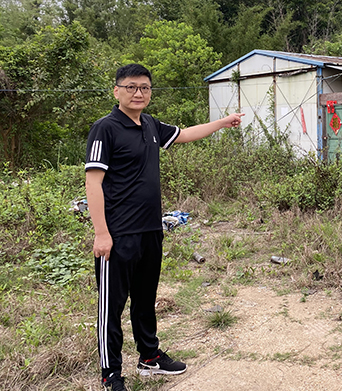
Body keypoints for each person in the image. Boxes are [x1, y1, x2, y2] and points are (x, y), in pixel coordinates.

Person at [85, 64, 243, 391]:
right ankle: (110, 374)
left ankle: (149, 357)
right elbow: (93, 183)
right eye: (131, 87)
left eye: (144, 87)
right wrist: (101, 232)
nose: (138, 93)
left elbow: (184, 134)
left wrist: (223, 122)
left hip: (150, 230)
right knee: (110, 308)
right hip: (118, 235)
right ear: (117, 91)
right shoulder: (105, 129)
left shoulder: (150, 126)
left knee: (145, 299)